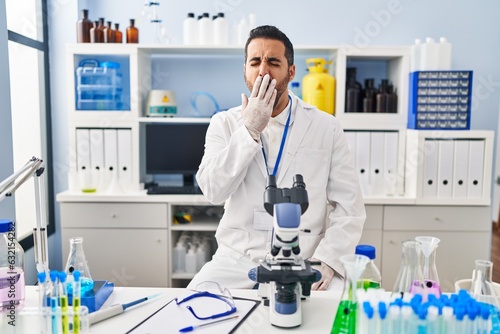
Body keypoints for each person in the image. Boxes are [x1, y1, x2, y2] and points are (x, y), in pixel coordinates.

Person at [187, 25, 365, 291]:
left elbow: (349, 207)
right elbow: (212, 191)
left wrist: (327, 259)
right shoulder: (223, 123)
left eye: (273, 62)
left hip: (305, 260)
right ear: (245, 69)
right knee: (193, 304)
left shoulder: (325, 127)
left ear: (291, 71)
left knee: (329, 319)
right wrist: (248, 130)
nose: (263, 70)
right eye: (255, 62)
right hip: (237, 260)